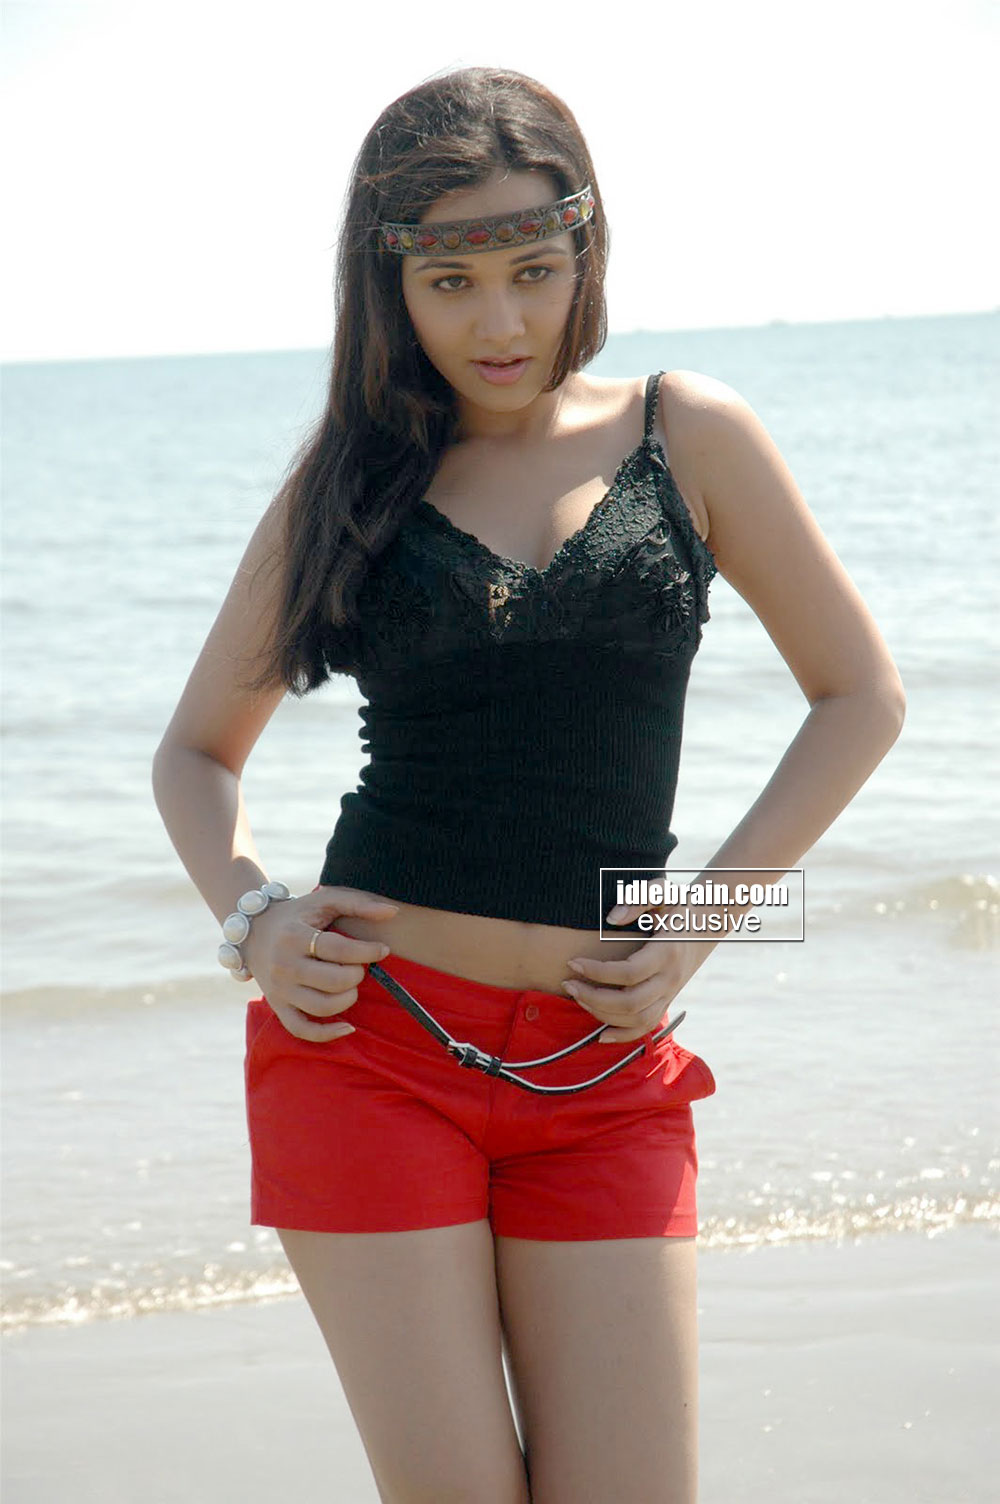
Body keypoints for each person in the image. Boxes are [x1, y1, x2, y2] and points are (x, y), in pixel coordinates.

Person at [152, 65, 905, 1504]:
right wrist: (253, 920)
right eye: (451, 282)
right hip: (370, 1050)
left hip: (604, 1066)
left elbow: (862, 697)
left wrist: (700, 926)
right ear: (390, 284)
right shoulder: (350, 485)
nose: (498, 323)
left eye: (532, 273)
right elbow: (194, 754)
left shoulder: (689, 434)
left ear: (584, 253)